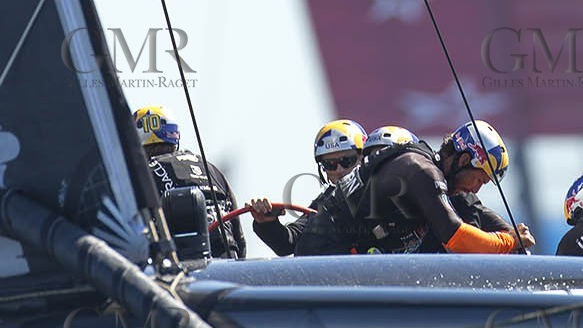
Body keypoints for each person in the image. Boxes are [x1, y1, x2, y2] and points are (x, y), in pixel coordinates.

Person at [295, 119, 533, 256]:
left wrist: (513, 235)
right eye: (479, 179)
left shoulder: (434, 172)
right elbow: (456, 237)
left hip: (347, 259)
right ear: (462, 161)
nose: (476, 189)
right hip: (322, 256)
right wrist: (508, 241)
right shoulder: (422, 171)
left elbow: (479, 212)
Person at [134, 105, 246, 259]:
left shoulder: (143, 175)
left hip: (182, 274)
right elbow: (240, 240)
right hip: (229, 266)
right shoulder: (212, 169)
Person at [251, 118, 365, 256]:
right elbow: (288, 243)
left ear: (363, 158)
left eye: (347, 161)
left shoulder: (380, 192)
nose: (339, 170)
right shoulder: (327, 201)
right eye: (330, 164)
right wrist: (267, 223)